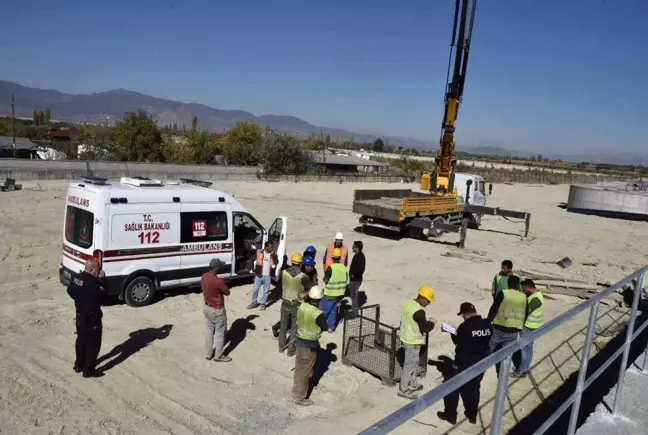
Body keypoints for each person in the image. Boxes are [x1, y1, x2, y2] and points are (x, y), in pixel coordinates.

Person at [438, 303, 492, 425]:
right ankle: (472, 415)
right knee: (474, 388)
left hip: (464, 362)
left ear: (466, 314)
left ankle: (450, 414)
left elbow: (457, 341)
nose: (462, 317)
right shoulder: (487, 325)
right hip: (481, 362)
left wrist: (452, 331)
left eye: (463, 315)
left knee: (452, 386)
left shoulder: (465, 327)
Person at [67, 259, 106, 378]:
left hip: (80, 316)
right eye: (98, 269)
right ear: (92, 270)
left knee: (81, 341)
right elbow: (104, 296)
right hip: (92, 319)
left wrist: (81, 300)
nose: (99, 272)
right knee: (93, 345)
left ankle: (78, 365)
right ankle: (89, 370)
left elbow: (70, 291)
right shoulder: (94, 284)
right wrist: (103, 280)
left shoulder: (76, 278)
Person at [292, 285, 330, 406]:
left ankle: (296, 391)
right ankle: (300, 397)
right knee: (305, 370)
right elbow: (324, 327)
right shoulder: (318, 314)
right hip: (309, 344)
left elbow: (299, 298)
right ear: (319, 299)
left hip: (299, 341)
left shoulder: (302, 306)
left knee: (299, 368)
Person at [398, 285, 436, 400]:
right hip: (412, 341)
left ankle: (413, 384)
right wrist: (432, 322)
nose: (428, 303)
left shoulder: (409, 302)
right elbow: (425, 328)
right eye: (428, 301)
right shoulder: (419, 312)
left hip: (406, 337)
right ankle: (403, 389)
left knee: (414, 362)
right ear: (423, 298)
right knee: (409, 365)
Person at [487, 275, 527, 376]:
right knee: (509, 352)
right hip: (514, 330)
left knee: (490, 348)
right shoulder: (523, 297)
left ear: (508, 284)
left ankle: (482, 367)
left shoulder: (504, 293)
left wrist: (487, 322)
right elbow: (525, 313)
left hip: (499, 328)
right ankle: (513, 370)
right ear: (518, 285)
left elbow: (494, 308)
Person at [279, 253, 313, 356]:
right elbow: (311, 288)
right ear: (301, 263)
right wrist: (305, 293)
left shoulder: (283, 272)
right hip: (296, 304)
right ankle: (290, 350)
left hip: (284, 302)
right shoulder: (303, 276)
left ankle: (281, 347)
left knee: (283, 326)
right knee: (294, 327)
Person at [512, 279, 544, 377]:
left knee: (525, 348)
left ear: (529, 289)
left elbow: (526, 312)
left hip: (529, 327)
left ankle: (522, 371)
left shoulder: (535, 300)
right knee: (528, 348)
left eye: (525, 290)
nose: (523, 292)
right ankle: (525, 367)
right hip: (533, 326)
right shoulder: (537, 295)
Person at [202, 258, 232, 363]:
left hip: (207, 307)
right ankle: (218, 356)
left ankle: (208, 354)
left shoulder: (204, 276)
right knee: (219, 333)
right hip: (217, 309)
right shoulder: (218, 281)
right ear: (216, 267)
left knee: (209, 332)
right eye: (220, 266)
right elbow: (227, 292)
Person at [320, 248, 348, 332]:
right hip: (340, 294)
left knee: (324, 310)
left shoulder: (331, 268)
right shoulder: (344, 268)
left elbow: (325, 280)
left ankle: (320, 325)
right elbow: (346, 280)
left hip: (330, 293)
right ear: (340, 257)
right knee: (333, 310)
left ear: (332, 257)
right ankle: (331, 327)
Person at [248, 242, 277, 310]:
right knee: (255, 290)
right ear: (266, 247)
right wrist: (253, 269)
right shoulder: (259, 252)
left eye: (272, 247)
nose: (272, 248)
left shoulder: (272, 254)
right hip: (259, 276)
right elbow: (251, 260)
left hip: (267, 277)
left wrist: (274, 256)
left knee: (266, 291)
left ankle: (263, 304)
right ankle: (254, 303)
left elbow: (276, 262)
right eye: (270, 247)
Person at [348, 241, 366, 311]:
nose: (352, 248)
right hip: (354, 279)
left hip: (356, 280)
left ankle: (354, 310)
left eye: (354, 247)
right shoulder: (356, 255)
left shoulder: (361, 257)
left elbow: (361, 269)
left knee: (354, 295)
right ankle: (354, 308)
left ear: (358, 248)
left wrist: (353, 275)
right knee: (353, 295)